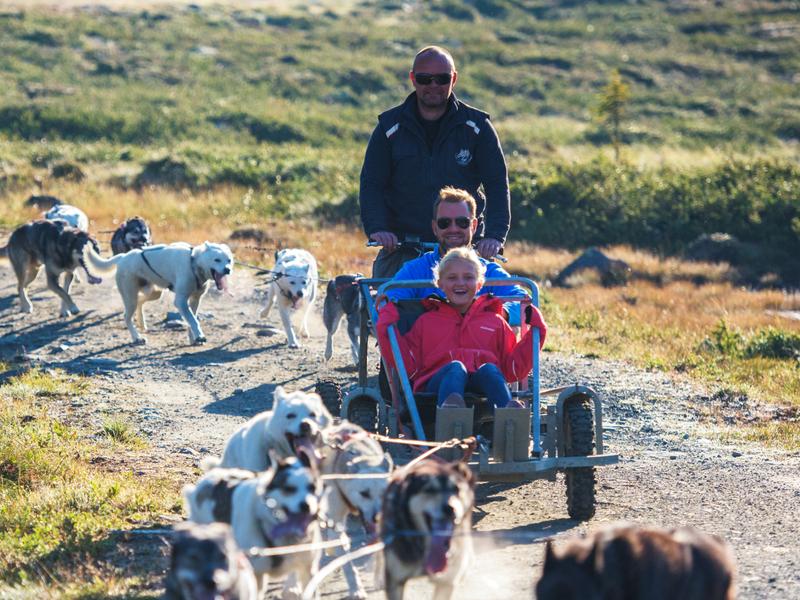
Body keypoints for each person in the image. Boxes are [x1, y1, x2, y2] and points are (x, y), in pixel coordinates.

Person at [360, 45, 510, 278]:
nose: (433, 85)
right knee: (386, 298)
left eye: (442, 79)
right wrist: (378, 229)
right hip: (401, 247)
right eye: (424, 79)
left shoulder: (477, 127)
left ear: (454, 79)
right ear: (413, 79)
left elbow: (497, 184)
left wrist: (494, 236)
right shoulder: (389, 128)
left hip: (463, 250)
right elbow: (372, 184)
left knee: (494, 298)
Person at [376, 248, 547, 409]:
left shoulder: (495, 322)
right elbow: (408, 366)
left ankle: (508, 416)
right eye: (452, 278)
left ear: (480, 284)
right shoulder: (426, 321)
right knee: (455, 368)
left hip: (481, 388)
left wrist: (537, 330)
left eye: (468, 277)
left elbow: (513, 370)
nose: (460, 283)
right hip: (434, 390)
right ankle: (451, 412)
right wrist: (385, 324)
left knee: (490, 370)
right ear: (440, 284)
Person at [385, 186, 526, 309]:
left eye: (462, 222)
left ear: (474, 226)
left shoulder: (489, 271)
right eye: (444, 223)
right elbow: (385, 305)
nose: (453, 229)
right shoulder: (416, 270)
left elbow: (523, 302)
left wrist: (495, 314)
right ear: (434, 227)